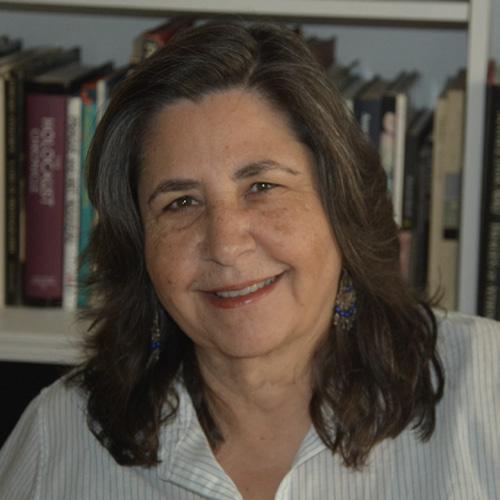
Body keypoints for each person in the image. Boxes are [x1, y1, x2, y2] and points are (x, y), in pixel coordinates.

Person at [1, 22, 499, 500]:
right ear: (140, 246)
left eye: (262, 186)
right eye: (181, 202)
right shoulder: (59, 438)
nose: (225, 245)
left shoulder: (486, 387)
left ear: (341, 206)